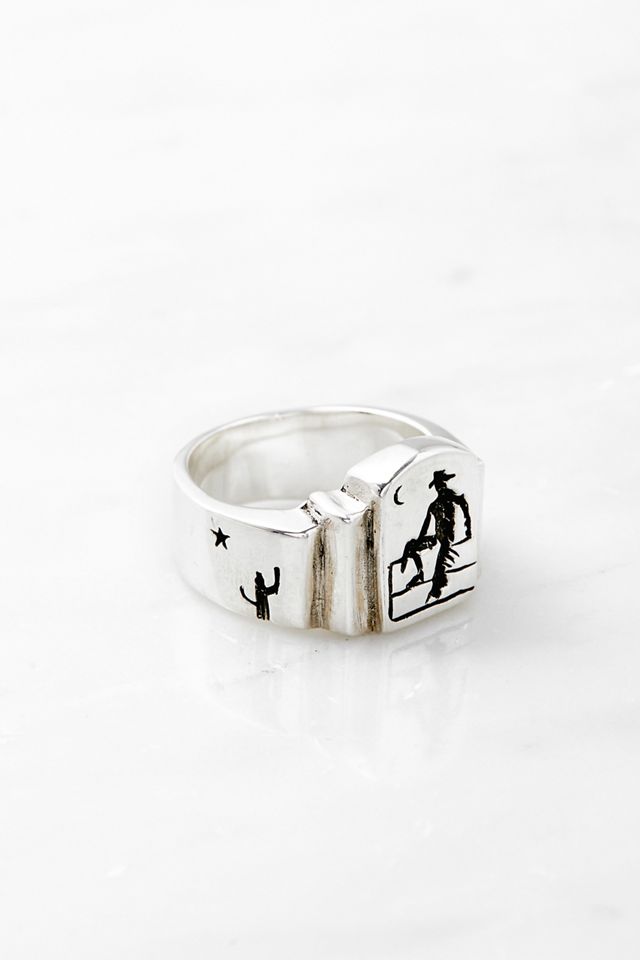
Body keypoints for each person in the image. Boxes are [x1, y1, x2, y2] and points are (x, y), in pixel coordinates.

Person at [400, 470, 471, 600]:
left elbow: (463, 503)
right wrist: (418, 542)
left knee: (440, 563)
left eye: (441, 483)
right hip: (436, 538)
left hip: (446, 539)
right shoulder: (433, 505)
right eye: (438, 485)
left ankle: (436, 590)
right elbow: (425, 527)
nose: (440, 487)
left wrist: (468, 528)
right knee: (410, 546)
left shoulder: (450, 497)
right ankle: (419, 573)